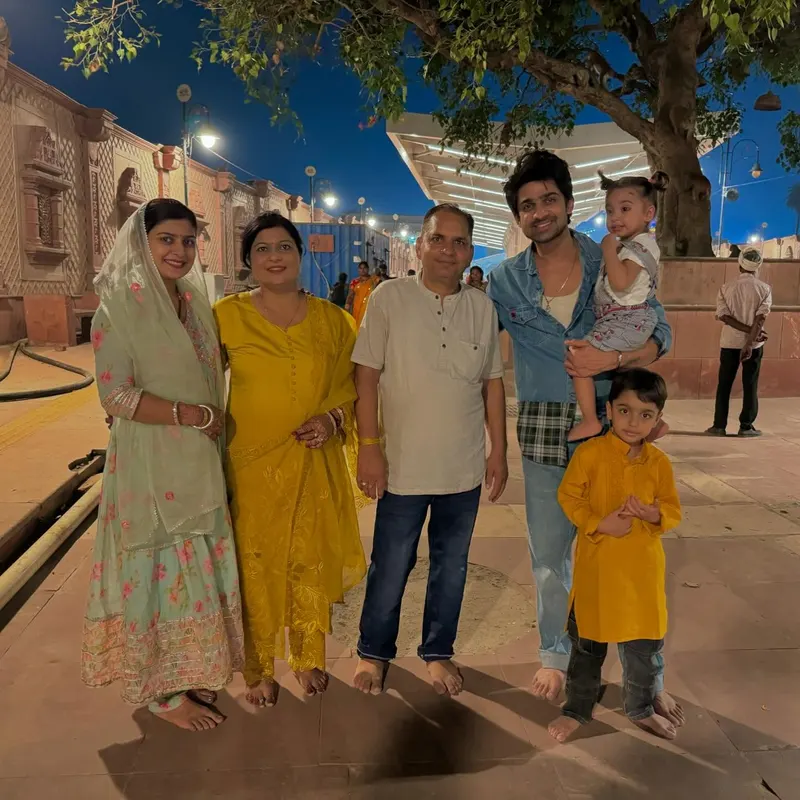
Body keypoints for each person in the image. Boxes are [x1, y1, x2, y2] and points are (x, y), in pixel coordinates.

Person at [487, 150, 683, 727]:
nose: (540, 212)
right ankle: (558, 654)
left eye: (550, 200)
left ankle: (648, 676)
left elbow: (662, 329)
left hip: (616, 421)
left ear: (570, 205)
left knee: (629, 549)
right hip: (547, 424)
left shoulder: (613, 260)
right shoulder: (503, 280)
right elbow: (475, 358)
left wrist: (617, 356)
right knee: (551, 553)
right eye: (527, 205)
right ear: (518, 218)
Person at [82, 198, 244, 732]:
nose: (179, 251)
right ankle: (161, 693)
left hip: (197, 458)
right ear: (142, 243)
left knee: (195, 564)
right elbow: (116, 397)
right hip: (150, 460)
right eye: (167, 240)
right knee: (158, 569)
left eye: (189, 241)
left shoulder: (196, 303)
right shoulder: (119, 307)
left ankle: (190, 668)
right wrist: (188, 414)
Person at [351, 203, 508, 697]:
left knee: (451, 565)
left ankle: (438, 652)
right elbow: (366, 377)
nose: (448, 250)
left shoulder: (482, 308)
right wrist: (369, 446)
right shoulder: (389, 299)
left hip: (461, 467)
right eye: (438, 239)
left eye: (459, 242)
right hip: (401, 466)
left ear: (470, 253)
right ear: (420, 245)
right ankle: (373, 651)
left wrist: (498, 451)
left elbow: (492, 384)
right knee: (390, 562)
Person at [214, 212, 367, 708]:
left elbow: (357, 389)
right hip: (250, 465)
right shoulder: (225, 316)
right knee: (254, 565)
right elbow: (191, 377)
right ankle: (256, 666)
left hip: (311, 460)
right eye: (262, 249)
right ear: (248, 261)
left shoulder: (333, 320)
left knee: (306, 559)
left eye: (284, 247)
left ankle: (307, 656)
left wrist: (333, 421)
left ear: (301, 255)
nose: (274, 257)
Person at [550, 368, 682, 743]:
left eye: (645, 415)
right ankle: (577, 708)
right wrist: (597, 523)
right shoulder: (590, 454)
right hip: (598, 575)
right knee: (587, 649)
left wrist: (653, 514)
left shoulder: (659, 464)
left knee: (644, 649)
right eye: (624, 410)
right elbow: (568, 497)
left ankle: (640, 706)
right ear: (607, 410)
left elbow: (672, 508)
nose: (633, 422)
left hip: (641, 575)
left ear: (658, 420)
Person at [568, 171, 668, 442]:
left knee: (579, 360)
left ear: (649, 213)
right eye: (610, 211)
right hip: (626, 318)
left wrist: (608, 249)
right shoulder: (634, 245)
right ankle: (653, 422)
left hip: (625, 318)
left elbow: (621, 283)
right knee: (627, 378)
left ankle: (590, 420)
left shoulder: (640, 245)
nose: (615, 218)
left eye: (625, 209)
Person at [706, 247, 771, 437]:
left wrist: (747, 333)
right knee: (750, 384)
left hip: (729, 343)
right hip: (755, 344)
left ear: (740, 264)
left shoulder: (726, 288)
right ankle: (746, 426)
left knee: (724, 384)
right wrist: (751, 340)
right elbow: (760, 319)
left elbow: (724, 317)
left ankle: (719, 425)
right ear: (758, 266)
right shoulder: (765, 289)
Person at [346, 261, 378, 327]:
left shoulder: (374, 280)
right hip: (358, 309)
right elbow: (351, 295)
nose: (362, 270)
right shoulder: (355, 282)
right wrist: (348, 303)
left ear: (368, 269)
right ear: (358, 270)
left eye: (364, 268)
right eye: (360, 268)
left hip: (370, 308)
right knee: (358, 327)